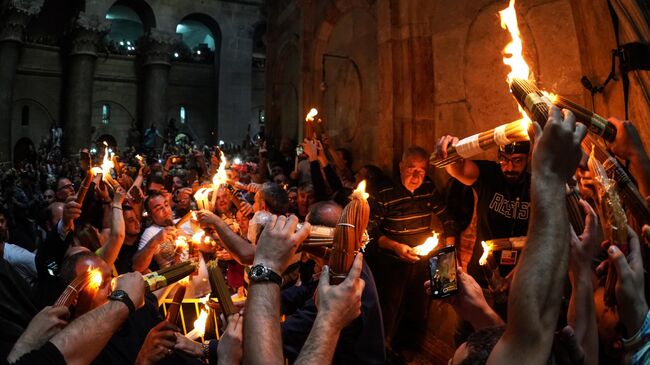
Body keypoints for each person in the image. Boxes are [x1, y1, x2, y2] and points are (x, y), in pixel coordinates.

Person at [366, 145, 458, 354]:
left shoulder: (428, 189)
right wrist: (396, 246)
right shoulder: (384, 192)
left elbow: (448, 219)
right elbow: (370, 230)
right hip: (392, 260)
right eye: (411, 168)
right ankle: (382, 351)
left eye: (422, 170)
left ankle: (408, 351)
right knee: (389, 309)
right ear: (400, 166)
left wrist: (450, 254)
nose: (417, 175)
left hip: (421, 261)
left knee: (419, 307)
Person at [436, 135, 532, 290]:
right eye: (504, 159)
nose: (509, 167)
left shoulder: (535, 186)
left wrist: (511, 278)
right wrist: (451, 151)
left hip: (519, 279)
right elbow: (457, 169)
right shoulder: (490, 174)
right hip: (480, 277)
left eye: (517, 160)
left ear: (529, 157)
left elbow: (539, 242)